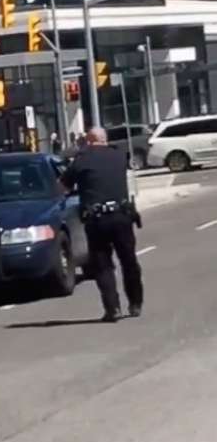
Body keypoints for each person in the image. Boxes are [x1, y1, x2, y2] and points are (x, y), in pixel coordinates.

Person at [61, 126, 144, 323]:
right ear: (105, 139)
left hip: (97, 220)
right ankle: (135, 304)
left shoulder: (81, 161)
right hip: (122, 216)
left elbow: (62, 187)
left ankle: (112, 308)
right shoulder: (119, 156)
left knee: (103, 266)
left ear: (88, 141)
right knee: (129, 261)